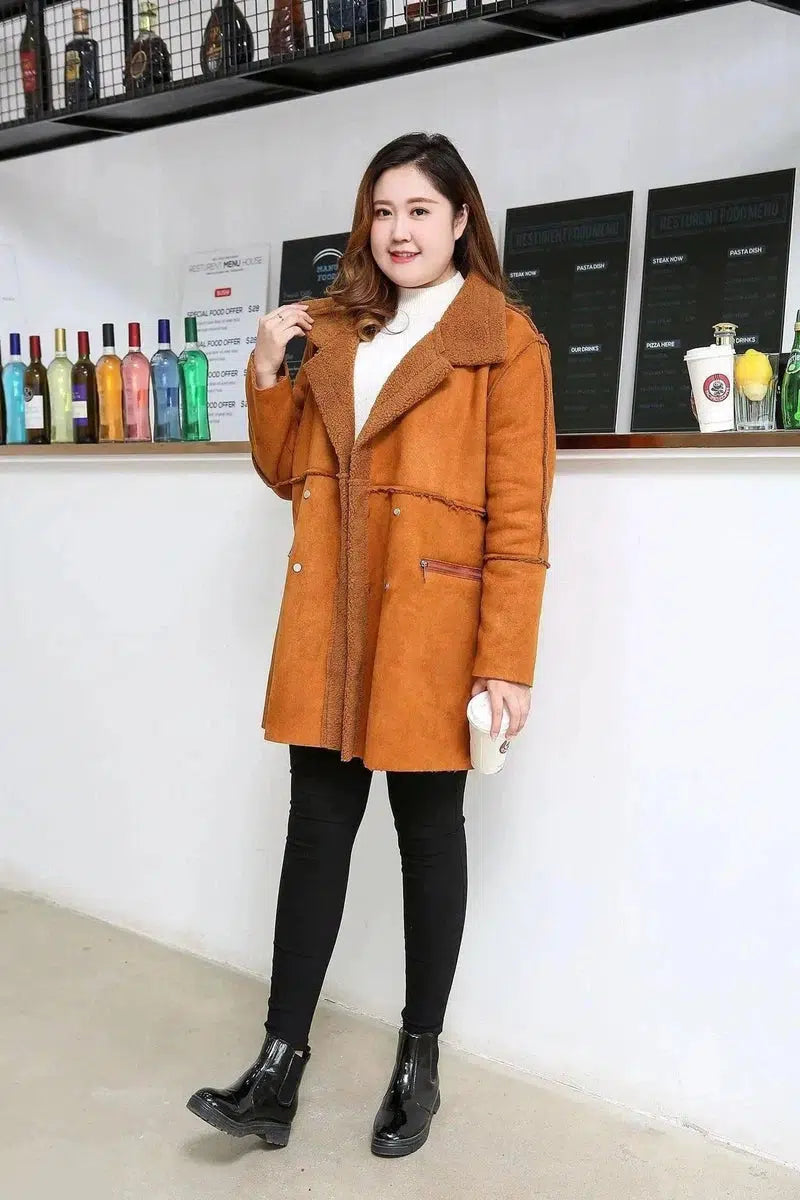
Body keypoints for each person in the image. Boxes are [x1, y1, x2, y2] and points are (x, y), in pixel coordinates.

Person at [186, 131, 555, 1159]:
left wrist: (505, 659)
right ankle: (277, 1069)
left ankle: (417, 1061)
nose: (398, 231)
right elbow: (286, 473)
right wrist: (267, 371)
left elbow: (519, 515)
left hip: (433, 626)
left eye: (419, 210)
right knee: (315, 832)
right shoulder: (338, 331)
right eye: (382, 211)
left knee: (428, 836)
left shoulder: (502, 341)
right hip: (330, 618)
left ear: (460, 220)